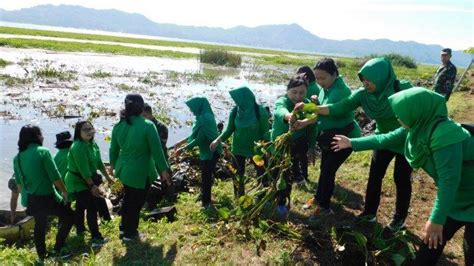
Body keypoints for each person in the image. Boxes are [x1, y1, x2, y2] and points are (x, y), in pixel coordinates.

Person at [331, 87, 473, 265]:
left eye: (400, 113)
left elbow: (449, 181)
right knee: (430, 245)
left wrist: (436, 219)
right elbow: (385, 139)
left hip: (463, 193)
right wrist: (351, 142)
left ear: (415, 110)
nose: (397, 117)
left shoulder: (444, 135)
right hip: (457, 197)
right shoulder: (418, 126)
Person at [315, 57, 413, 232]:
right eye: (363, 79)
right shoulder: (363, 95)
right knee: (375, 176)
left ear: (382, 77)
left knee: (402, 179)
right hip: (381, 138)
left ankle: (399, 219)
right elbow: (340, 107)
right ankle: (369, 213)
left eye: (369, 79)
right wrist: (314, 109)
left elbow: (419, 110)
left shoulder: (402, 89)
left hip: (405, 140)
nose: (365, 83)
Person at [302, 58, 361, 219]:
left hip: (345, 137)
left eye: (323, 78)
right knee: (325, 169)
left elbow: (331, 110)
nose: (320, 82)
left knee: (328, 170)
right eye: (317, 78)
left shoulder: (341, 90)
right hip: (330, 136)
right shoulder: (325, 88)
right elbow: (319, 112)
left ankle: (324, 206)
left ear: (335, 74)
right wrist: (315, 103)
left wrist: (310, 106)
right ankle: (319, 197)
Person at [110, 94, 170, 241]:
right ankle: (130, 233)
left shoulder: (119, 126)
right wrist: (164, 169)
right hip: (140, 171)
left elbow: (113, 150)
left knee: (129, 198)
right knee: (136, 202)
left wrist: (113, 167)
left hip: (124, 170)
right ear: (141, 107)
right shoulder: (148, 125)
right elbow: (157, 151)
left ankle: (124, 228)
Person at [12, 125, 73, 260]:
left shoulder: (17, 158)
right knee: (69, 216)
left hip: (32, 199)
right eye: (41, 134)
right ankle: (58, 247)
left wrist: (26, 199)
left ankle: (42, 256)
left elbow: (19, 185)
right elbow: (55, 176)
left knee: (40, 225)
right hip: (47, 197)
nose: (43, 136)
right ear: (37, 136)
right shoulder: (43, 152)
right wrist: (64, 192)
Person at [209, 86, 270, 197]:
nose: (236, 102)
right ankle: (239, 197)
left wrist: (269, 149)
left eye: (238, 99)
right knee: (237, 175)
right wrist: (217, 140)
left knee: (262, 174)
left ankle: (262, 196)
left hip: (256, 148)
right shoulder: (235, 110)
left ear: (246, 98)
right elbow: (229, 129)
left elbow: (266, 133)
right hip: (238, 147)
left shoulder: (260, 111)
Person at [271, 75, 318, 215]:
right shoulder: (282, 101)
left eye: (302, 92)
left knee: (287, 175)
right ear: (287, 91)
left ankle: (282, 202)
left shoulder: (308, 105)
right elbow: (280, 111)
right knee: (274, 173)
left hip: (295, 145)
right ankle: (271, 196)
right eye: (294, 92)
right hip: (278, 145)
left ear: (306, 92)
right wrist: (290, 116)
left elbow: (312, 127)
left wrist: (311, 147)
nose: (298, 96)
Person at [65, 121, 111, 246]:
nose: (89, 132)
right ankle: (96, 238)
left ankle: (80, 230)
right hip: (77, 181)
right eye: (85, 130)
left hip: (87, 179)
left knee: (81, 205)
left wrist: (108, 177)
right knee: (91, 207)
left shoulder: (92, 144)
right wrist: (92, 186)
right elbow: (83, 170)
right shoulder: (78, 147)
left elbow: (99, 163)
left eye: (91, 129)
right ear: (78, 132)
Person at [175, 97, 222, 208]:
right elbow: (195, 134)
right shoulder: (201, 117)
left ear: (198, 106)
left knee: (206, 176)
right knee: (205, 175)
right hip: (205, 150)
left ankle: (206, 203)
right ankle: (205, 197)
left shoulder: (205, 118)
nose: (191, 111)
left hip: (212, 151)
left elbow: (199, 139)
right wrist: (180, 142)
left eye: (192, 108)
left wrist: (183, 149)